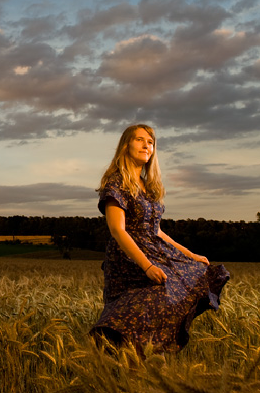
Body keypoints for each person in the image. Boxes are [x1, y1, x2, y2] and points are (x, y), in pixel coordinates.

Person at [90, 124, 229, 355]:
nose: (147, 145)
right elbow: (117, 230)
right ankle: (109, 360)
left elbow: (156, 231)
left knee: (163, 304)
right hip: (129, 260)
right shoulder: (116, 184)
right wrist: (147, 266)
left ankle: (139, 370)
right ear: (126, 145)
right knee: (133, 313)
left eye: (151, 142)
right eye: (140, 140)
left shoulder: (148, 186)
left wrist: (190, 255)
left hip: (154, 251)